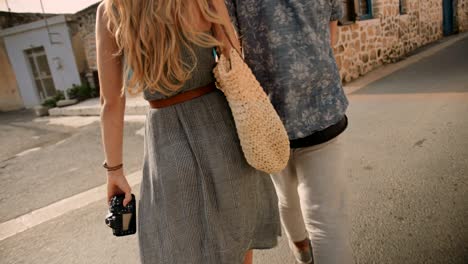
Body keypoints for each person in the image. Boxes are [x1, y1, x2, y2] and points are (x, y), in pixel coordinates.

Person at [96, 1, 280, 263]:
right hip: (223, 133)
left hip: (166, 144)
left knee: (180, 248)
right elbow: (232, 55)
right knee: (237, 244)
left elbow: (111, 102)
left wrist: (114, 171)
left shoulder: (112, 10)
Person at [226, 1, 353, 263]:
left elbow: (228, 43)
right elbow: (332, 24)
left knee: (285, 197)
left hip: (267, 111)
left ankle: (303, 255)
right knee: (326, 219)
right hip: (321, 104)